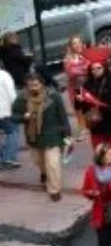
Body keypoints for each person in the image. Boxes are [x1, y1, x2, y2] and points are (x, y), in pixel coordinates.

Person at [13, 72, 70, 200]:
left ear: (42, 84)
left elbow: (63, 117)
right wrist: (23, 117)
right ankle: (44, 173)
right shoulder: (22, 99)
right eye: (31, 85)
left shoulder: (54, 96)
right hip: (34, 138)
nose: (34, 87)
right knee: (39, 161)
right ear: (26, 86)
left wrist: (68, 135)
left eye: (36, 84)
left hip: (52, 136)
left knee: (53, 163)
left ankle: (54, 190)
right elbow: (14, 116)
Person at [63, 34, 90, 141]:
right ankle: (83, 130)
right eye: (74, 43)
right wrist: (83, 68)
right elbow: (70, 73)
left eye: (78, 42)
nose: (77, 45)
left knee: (90, 107)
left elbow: (91, 67)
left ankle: (91, 126)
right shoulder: (68, 59)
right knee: (79, 110)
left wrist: (80, 68)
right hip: (76, 89)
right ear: (71, 46)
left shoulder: (87, 54)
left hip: (88, 87)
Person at [0, 66, 18, 169]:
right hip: (4, 111)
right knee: (13, 132)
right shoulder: (4, 75)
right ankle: (8, 158)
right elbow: (11, 94)